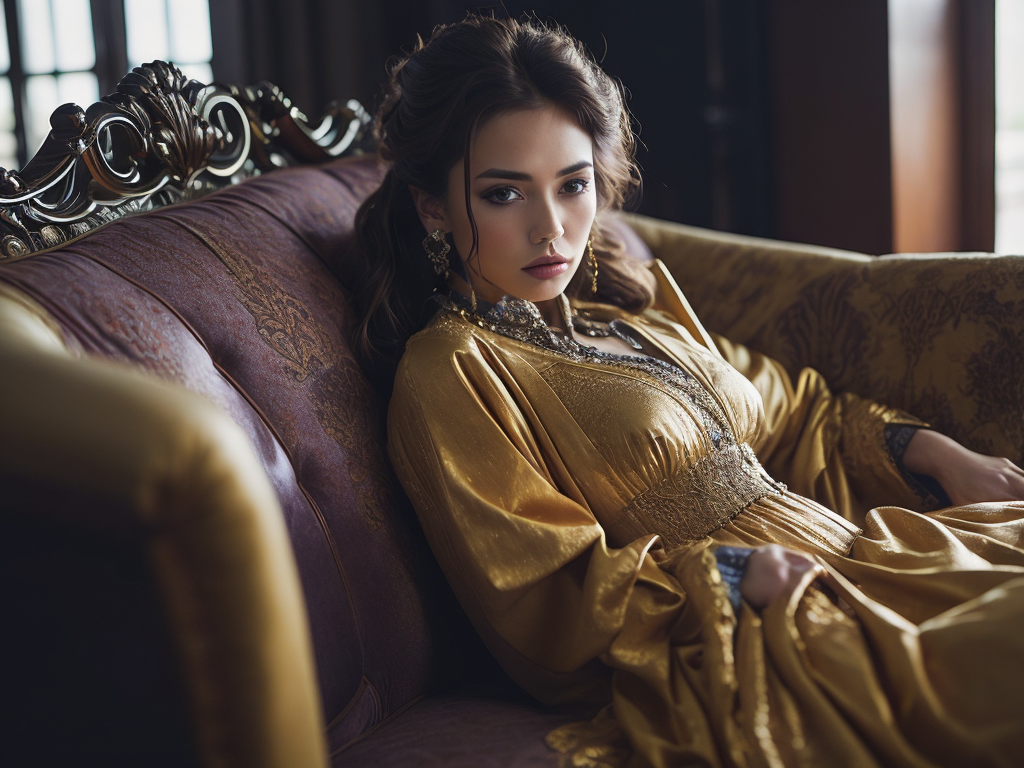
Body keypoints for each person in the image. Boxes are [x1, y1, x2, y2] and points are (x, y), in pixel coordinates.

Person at [353, 14, 1024, 768]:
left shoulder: (623, 314)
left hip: (864, 559)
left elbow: (793, 409)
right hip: (759, 631)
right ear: (433, 206)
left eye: (572, 186)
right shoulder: (450, 370)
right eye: (505, 195)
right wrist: (735, 576)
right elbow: (544, 595)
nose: (553, 229)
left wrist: (929, 449)